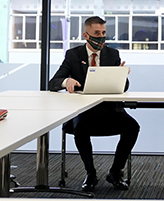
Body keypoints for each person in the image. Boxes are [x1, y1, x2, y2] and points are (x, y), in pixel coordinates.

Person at [48, 16, 139, 191]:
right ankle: (90, 173)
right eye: (97, 33)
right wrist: (66, 81)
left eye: (104, 33)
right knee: (80, 128)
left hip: (111, 111)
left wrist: (121, 75)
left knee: (132, 127)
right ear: (86, 35)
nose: (101, 37)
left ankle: (115, 172)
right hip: (84, 111)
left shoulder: (112, 54)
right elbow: (53, 82)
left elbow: (123, 88)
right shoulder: (74, 55)